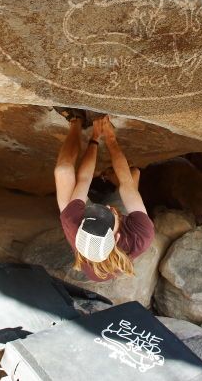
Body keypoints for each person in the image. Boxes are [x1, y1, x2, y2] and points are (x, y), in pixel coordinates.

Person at [54, 113, 155, 281]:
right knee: (133, 174)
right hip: (123, 227)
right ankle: (109, 177)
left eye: (93, 214)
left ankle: (76, 122)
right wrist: (110, 138)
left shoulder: (73, 223)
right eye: (107, 215)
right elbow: (127, 184)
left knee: (63, 171)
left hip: (93, 228)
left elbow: (84, 180)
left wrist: (94, 138)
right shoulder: (141, 234)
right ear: (117, 237)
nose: (106, 208)